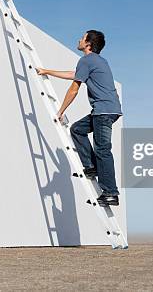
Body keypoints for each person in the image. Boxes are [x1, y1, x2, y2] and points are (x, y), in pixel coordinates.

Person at [36, 30, 122, 206]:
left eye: (82, 37)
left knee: (103, 150)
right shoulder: (96, 61)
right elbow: (74, 74)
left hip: (103, 111)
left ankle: (111, 193)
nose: (79, 39)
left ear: (88, 44)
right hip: (107, 110)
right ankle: (91, 167)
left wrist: (60, 111)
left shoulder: (87, 60)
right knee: (77, 129)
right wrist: (47, 71)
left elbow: (74, 88)